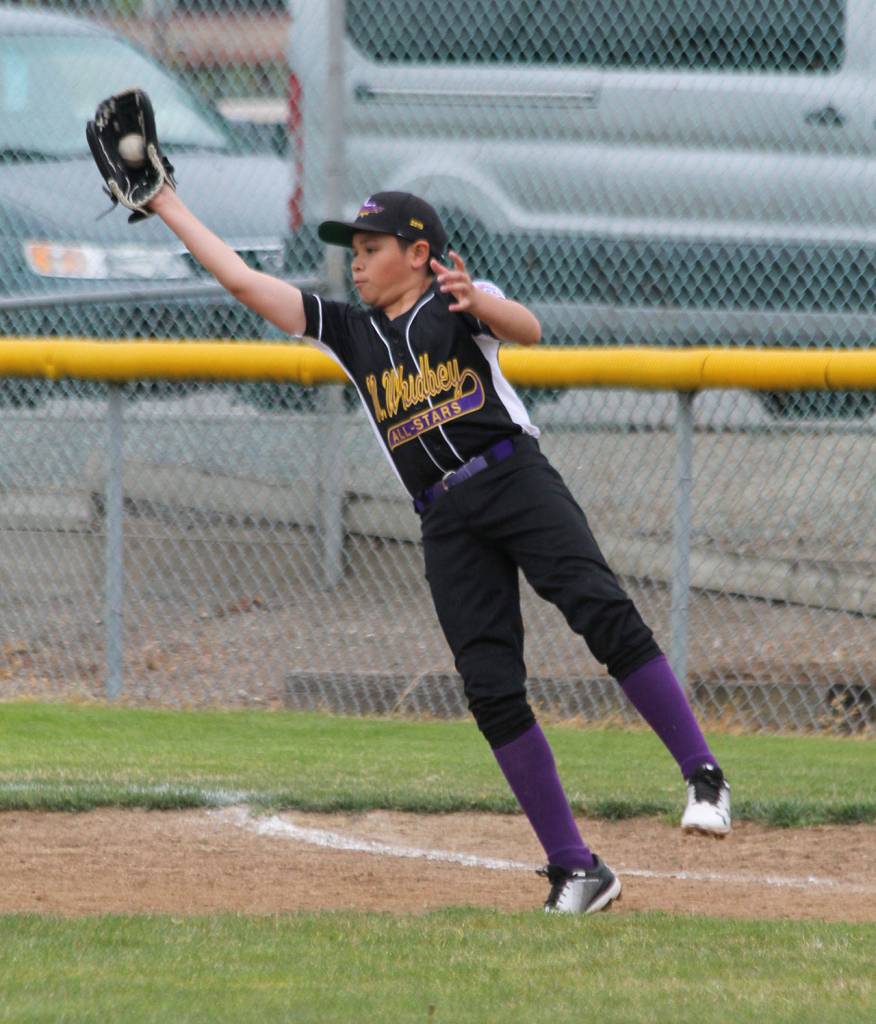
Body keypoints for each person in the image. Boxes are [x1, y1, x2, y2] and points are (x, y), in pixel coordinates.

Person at [149, 186, 731, 914]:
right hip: (444, 521)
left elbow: (529, 329)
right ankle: (576, 869)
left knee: (602, 615)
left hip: (514, 477)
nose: (356, 264)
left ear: (419, 254)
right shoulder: (350, 333)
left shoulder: (457, 298)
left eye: (372, 249)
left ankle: (703, 774)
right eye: (353, 252)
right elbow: (243, 281)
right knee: (490, 688)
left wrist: (478, 302)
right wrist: (168, 204)